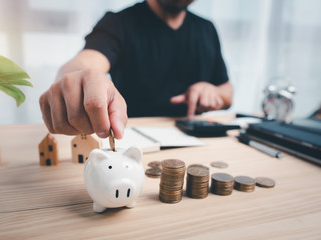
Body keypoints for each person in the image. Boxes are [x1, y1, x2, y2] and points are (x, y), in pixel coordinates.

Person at [39, 0, 233, 139]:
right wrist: (77, 80)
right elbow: (80, 65)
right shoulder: (118, 23)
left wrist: (213, 91)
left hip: (197, 140)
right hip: (135, 140)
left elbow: (228, 93)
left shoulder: (207, 29)